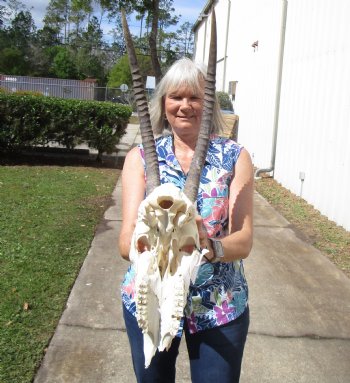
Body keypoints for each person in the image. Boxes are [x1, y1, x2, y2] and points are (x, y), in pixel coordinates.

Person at [118, 57, 254, 383]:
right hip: (150, 299)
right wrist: (152, 240)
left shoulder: (235, 156)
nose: (185, 106)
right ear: (163, 102)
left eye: (195, 97)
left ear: (209, 104)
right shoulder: (139, 158)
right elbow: (125, 243)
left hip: (218, 305)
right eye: (175, 96)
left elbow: (244, 239)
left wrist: (210, 245)